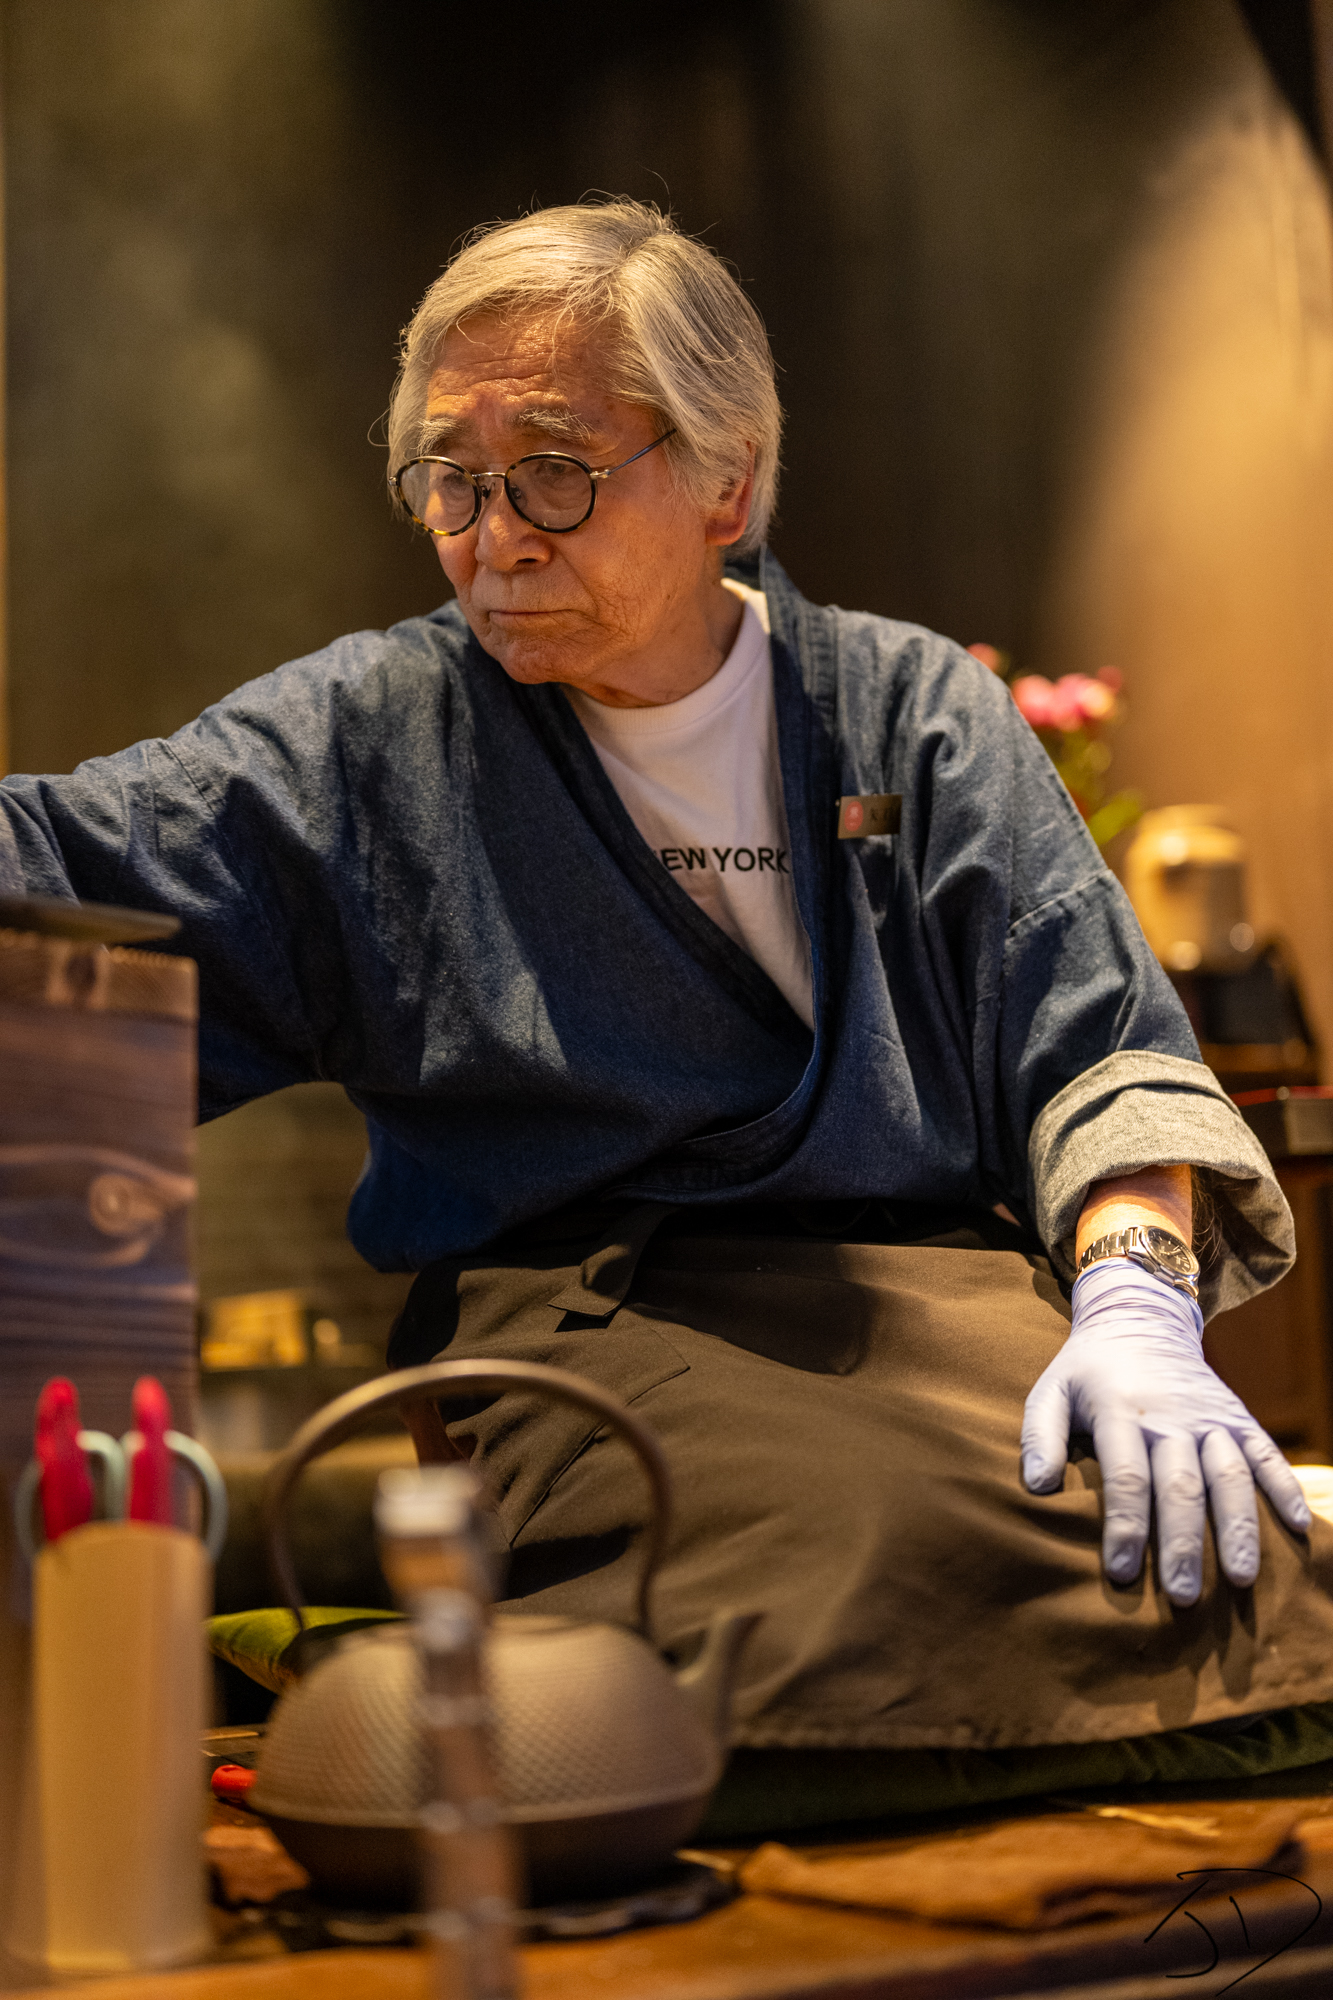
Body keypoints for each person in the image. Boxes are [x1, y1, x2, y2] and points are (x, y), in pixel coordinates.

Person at [2, 201, 1329, 1760]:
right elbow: (64, 858)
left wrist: (1134, 1306)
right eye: (450, 479)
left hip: (954, 1304)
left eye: (554, 471)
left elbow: (1094, 1049)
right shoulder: (368, 743)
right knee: (851, 1566)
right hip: (586, 1319)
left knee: (1237, 1556)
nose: (495, 536)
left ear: (726, 482)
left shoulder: (907, 713)